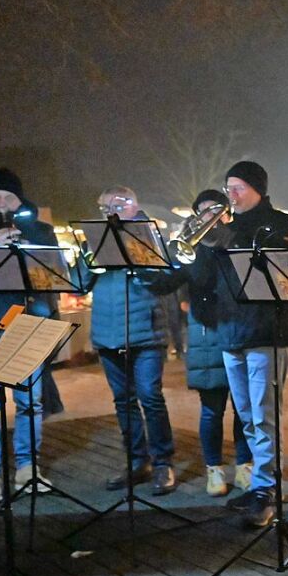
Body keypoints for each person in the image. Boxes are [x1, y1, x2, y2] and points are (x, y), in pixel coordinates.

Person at [216, 161, 288, 529]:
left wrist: (226, 238)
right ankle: (262, 484)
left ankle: (268, 488)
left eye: (238, 188)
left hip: (267, 332)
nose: (231, 196)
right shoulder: (225, 228)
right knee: (247, 416)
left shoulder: (280, 224)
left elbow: (282, 274)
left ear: (258, 190)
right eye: (228, 188)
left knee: (265, 417)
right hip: (231, 331)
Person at [91, 186, 178, 495]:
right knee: (123, 400)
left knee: (150, 397)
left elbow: (168, 279)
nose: (109, 211)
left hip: (146, 330)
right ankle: (137, 461)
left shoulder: (150, 234)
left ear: (132, 204)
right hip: (106, 331)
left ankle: (163, 461)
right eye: (103, 207)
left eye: (115, 205)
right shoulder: (98, 237)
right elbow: (78, 280)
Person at [170, 190, 253, 497]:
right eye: (202, 210)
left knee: (242, 407)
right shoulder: (192, 244)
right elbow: (194, 280)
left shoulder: (233, 240)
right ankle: (214, 469)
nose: (208, 214)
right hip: (206, 333)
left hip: (236, 328)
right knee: (211, 409)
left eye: (214, 209)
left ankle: (245, 465)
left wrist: (221, 240)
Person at [0, 168, 59, 502]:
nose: (2, 203)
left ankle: (27, 466)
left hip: (29, 320)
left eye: (9, 198)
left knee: (30, 400)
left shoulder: (39, 230)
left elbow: (54, 274)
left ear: (20, 202)